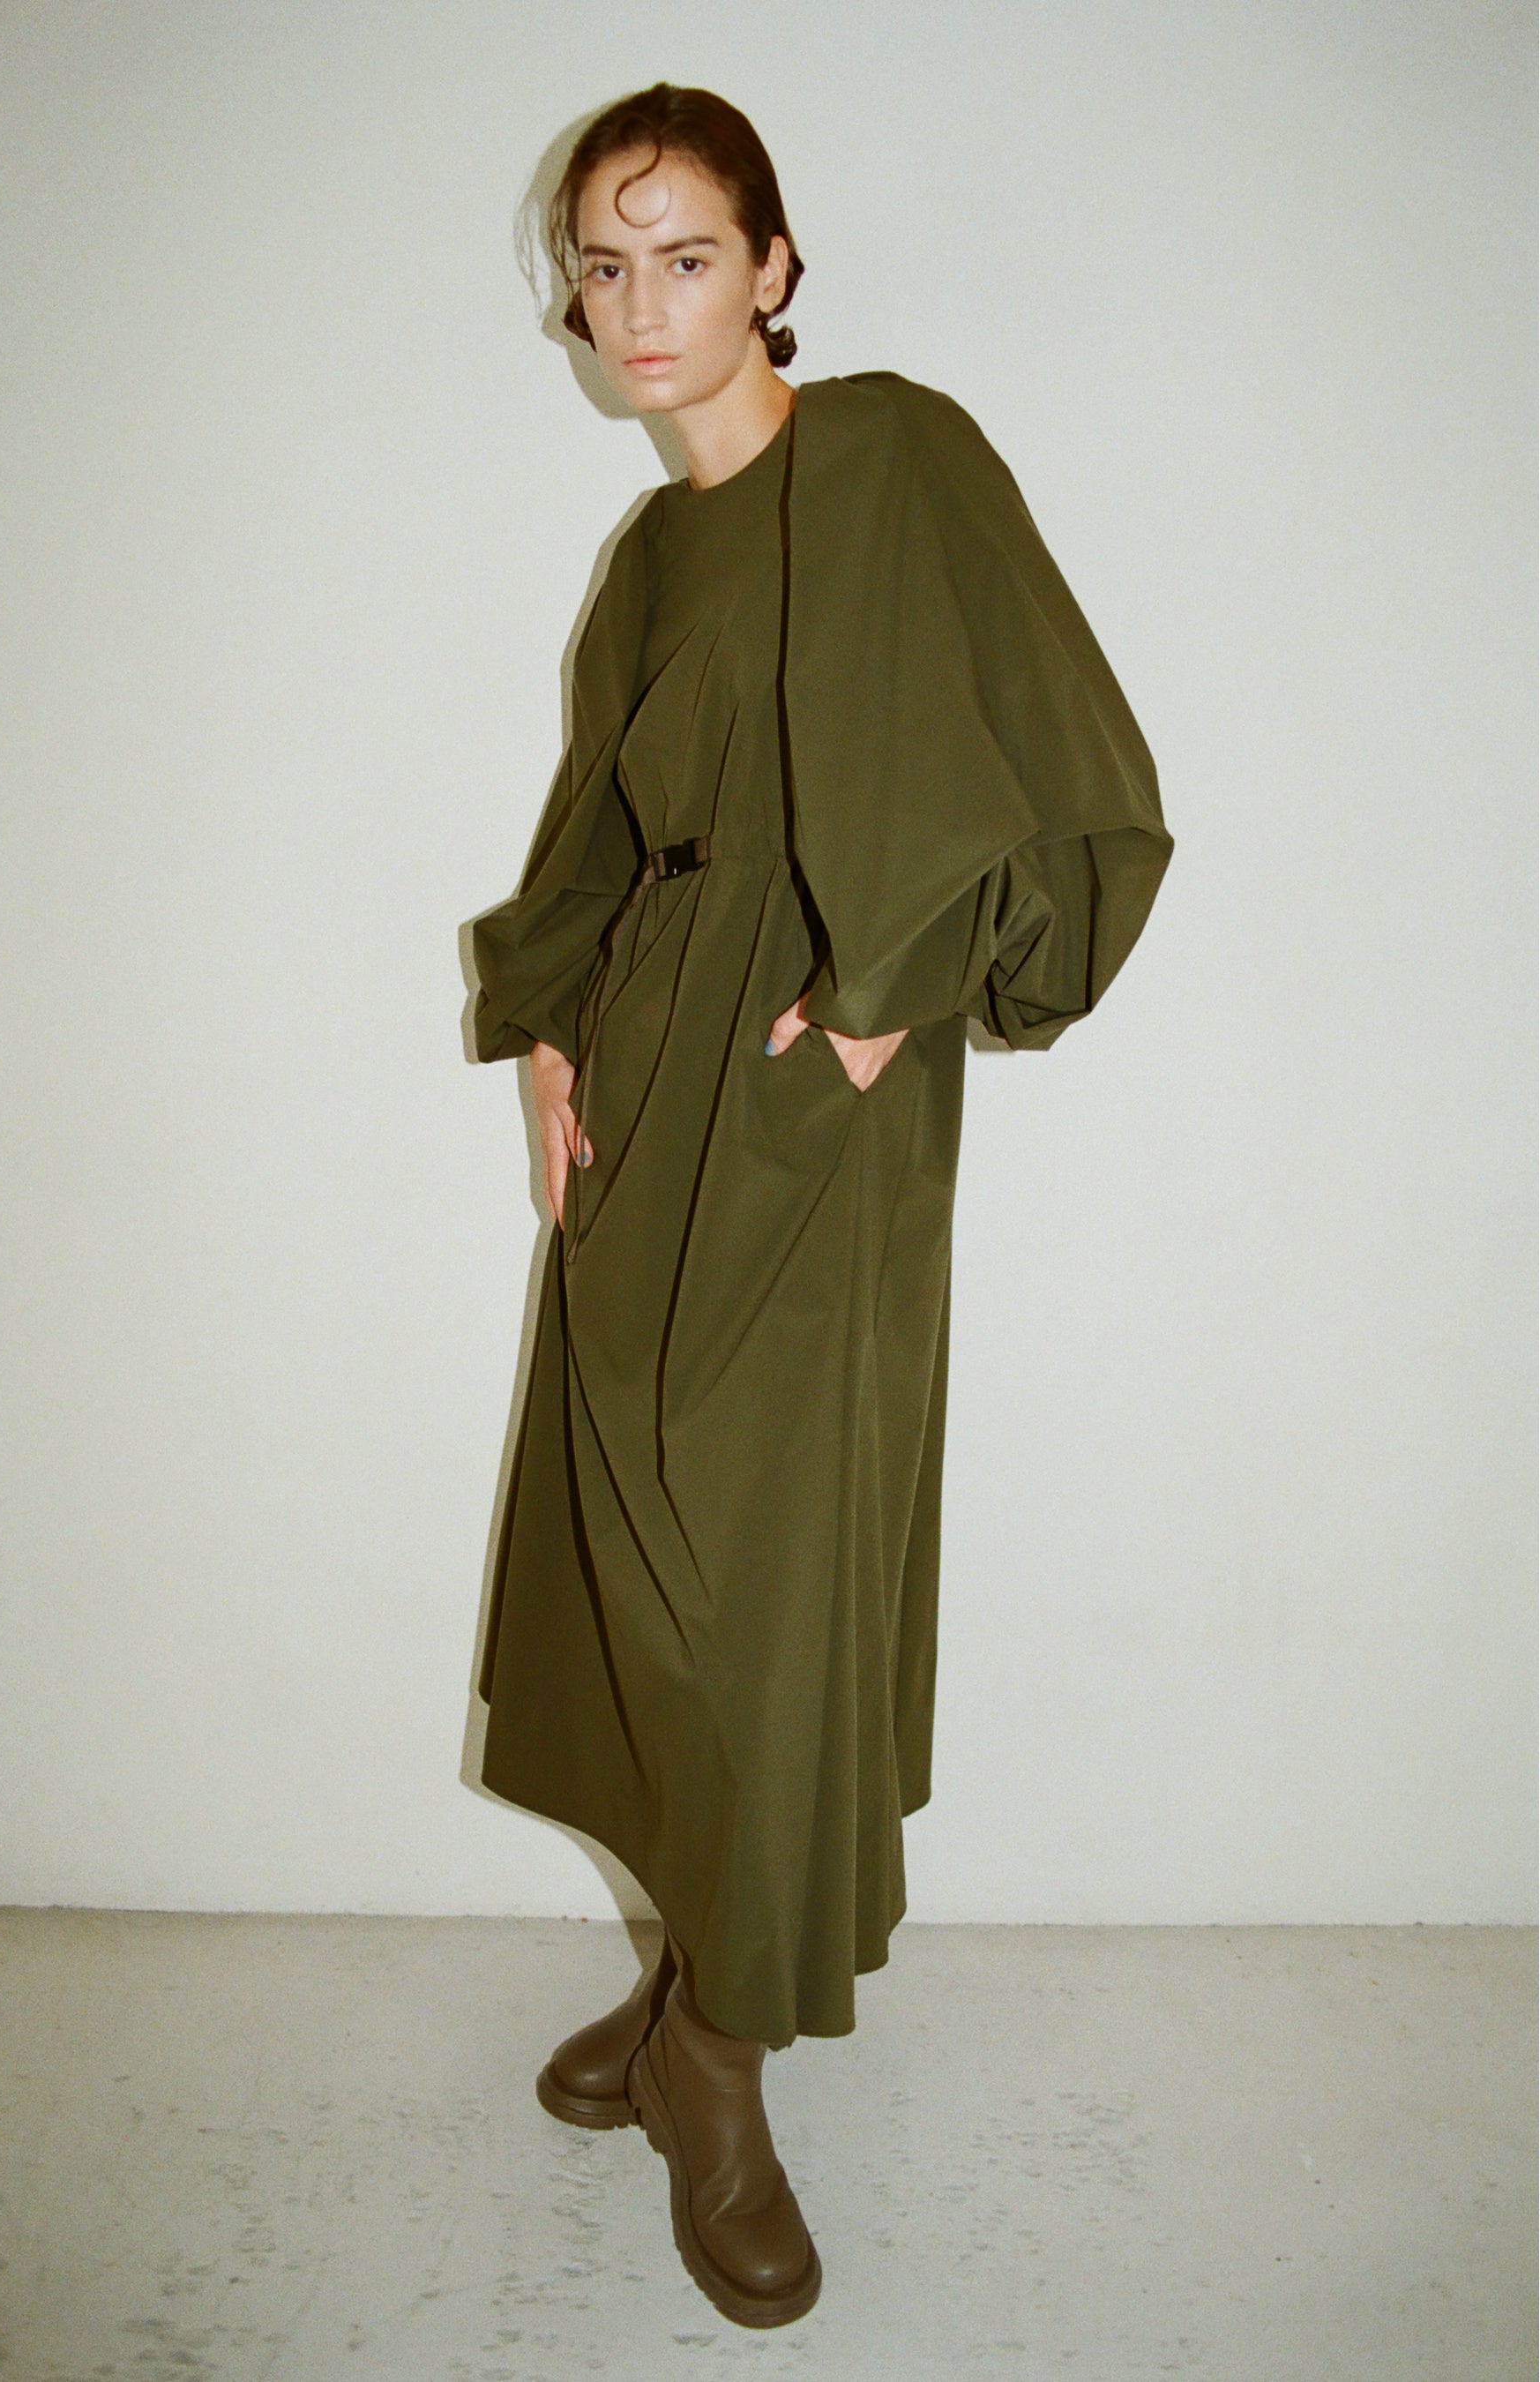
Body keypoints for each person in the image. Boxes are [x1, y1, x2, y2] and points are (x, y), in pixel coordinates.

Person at [459, 82, 1173, 2329]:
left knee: (758, 1592)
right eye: (602, 264)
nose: (639, 303)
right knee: (635, 1562)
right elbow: (597, 819)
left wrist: (894, 996)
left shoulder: (891, 456)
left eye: (685, 255)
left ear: (772, 269)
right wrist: (548, 1027)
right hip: (644, 1074)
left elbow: (1072, 768)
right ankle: (688, 1975)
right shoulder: (643, 561)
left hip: (807, 1079)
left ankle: (719, 2062)